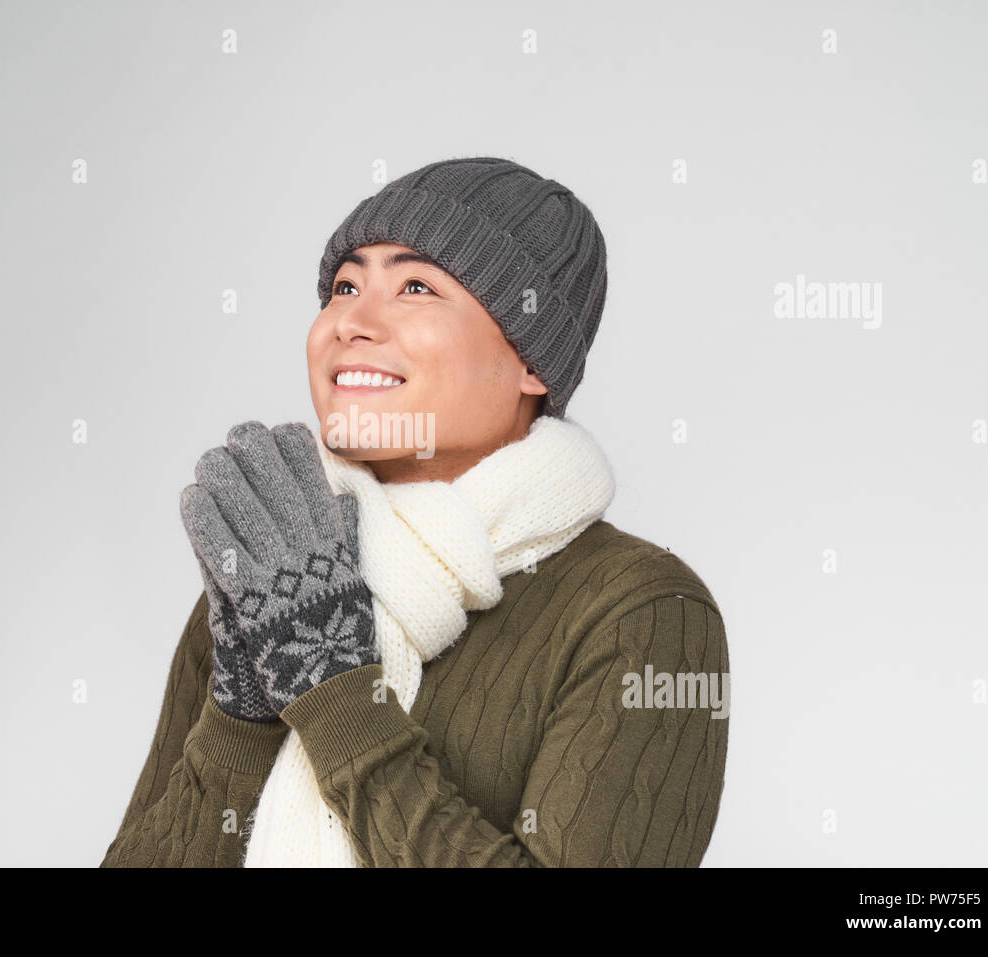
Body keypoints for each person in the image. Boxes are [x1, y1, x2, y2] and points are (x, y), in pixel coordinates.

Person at [100, 156, 730, 867]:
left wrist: (337, 697)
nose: (352, 322)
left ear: (532, 362)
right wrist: (240, 720)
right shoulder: (277, 581)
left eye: (415, 287)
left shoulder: (644, 609)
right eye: (343, 286)